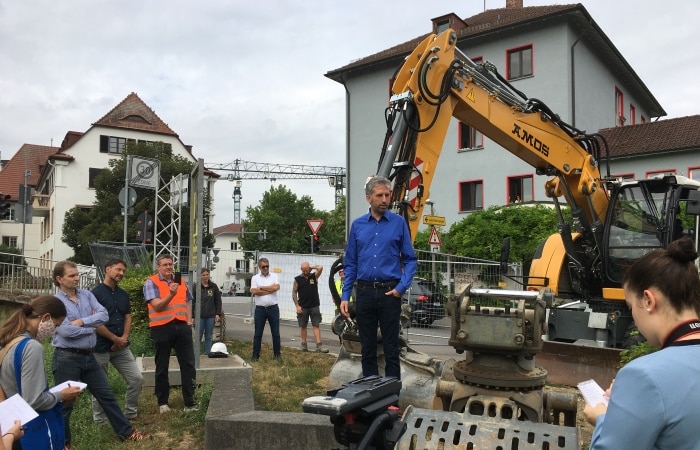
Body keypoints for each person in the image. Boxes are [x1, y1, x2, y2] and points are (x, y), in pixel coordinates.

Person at [583, 238, 700, 448]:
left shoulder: (643, 376)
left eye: (630, 306)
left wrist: (602, 419)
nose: (633, 317)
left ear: (648, 300)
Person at [52, 261, 150, 447]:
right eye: (71, 275)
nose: (76, 278)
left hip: (89, 356)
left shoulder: (87, 295)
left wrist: (80, 322)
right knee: (65, 404)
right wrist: (91, 326)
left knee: (107, 396)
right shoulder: (56, 302)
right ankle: (63, 444)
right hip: (67, 358)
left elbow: (103, 316)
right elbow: (64, 332)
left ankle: (126, 432)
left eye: (77, 274)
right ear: (59, 279)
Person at [340, 176, 417, 379]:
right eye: (379, 195)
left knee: (392, 347)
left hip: (390, 292)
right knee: (367, 347)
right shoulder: (357, 226)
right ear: (369, 198)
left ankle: (391, 397)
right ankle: (370, 393)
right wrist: (345, 296)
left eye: (387, 195)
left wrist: (401, 287)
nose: (385, 199)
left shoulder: (398, 223)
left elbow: (410, 259)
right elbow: (351, 264)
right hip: (364, 292)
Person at [0, 295, 80, 449]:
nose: (54, 330)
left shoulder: (7, 341)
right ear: (46, 317)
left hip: (10, 429)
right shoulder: (31, 347)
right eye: (56, 325)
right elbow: (34, 400)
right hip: (28, 430)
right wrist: (61, 395)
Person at [91, 259, 148, 425]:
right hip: (100, 347)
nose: (121, 273)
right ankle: (100, 421)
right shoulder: (95, 294)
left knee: (136, 378)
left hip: (121, 347)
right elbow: (95, 323)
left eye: (123, 271)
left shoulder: (123, 295)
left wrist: (123, 338)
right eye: (118, 270)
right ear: (107, 269)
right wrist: (114, 339)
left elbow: (127, 317)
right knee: (100, 385)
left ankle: (130, 413)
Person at [142, 255, 198, 413]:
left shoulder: (179, 281)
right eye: (165, 264)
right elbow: (157, 306)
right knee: (162, 365)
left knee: (188, 364)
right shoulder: (151, 282)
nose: (168, 267)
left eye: (170, 264)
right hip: (161, 327)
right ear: (158, 267)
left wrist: (188, 320)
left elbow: (187, 300)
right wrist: (170, 294)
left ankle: (190, 402)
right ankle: (163, 402)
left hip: (181, 326)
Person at [292, 262, 328, 353]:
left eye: (306, 270)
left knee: (316, 325)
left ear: (309, 269)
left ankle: (319, 346)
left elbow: (320, 267)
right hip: (303, 306)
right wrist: (297, 306)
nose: (305, 272)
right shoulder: (297, 279)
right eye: (303, 270)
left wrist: (312, 267)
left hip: (314, 305)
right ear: (301, 270)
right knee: (303, 326)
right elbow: (294, 293)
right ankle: (304, 345)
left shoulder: (314, 277)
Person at [250, 257, 281, 361]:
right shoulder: (255, 278)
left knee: (276, 333)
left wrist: (262, 288)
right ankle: (255, 356)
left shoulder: (274, 276)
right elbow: (254, 291)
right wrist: (269, 289)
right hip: (260, 309)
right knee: (258, 334)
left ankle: (277, 355)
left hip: (273, 308)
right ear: (259, 267)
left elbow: (276, 287)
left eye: (267, 266)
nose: (266, 268)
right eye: (263, 266)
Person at [194, 268, 223, 354]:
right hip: (200, 316)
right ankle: (196, 354)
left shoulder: (213, 286)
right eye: (203, 275)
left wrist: (217, 314)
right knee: (198, 335)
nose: (206, 276)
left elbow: (218, 301)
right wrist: (192, 316)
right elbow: (192, 302)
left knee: (208, 336)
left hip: (211, 315)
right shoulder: (196, 286)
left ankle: (208, 353)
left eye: (207, 274)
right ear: (200, 276)